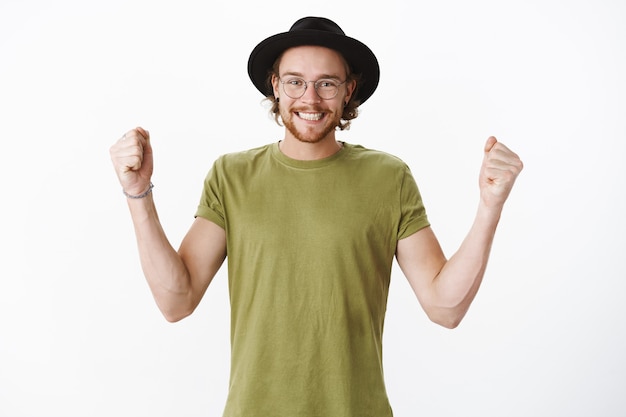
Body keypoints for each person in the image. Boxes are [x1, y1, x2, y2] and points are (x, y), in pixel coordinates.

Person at [110, 16, 523, 417]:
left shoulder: (388, 178)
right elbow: (176, 302)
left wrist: (490, 206)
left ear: (348, 91)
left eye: (326, 83)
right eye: (295, 82)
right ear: (276, 86)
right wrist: (137, 193)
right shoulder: (231, 176)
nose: (310, 98)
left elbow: (444, 308)